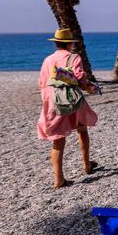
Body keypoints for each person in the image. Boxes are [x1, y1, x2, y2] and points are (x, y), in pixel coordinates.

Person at [38, 28, 99, 189]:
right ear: (70, 43)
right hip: (71, 99)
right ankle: (87, 165)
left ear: (56, 43)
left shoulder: (47, 60)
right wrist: (91, 88)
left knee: (57, 140)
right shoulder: (74, 57)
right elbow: (80, 80)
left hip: (53, 100)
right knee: (82, 129)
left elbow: (42, 83)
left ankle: (59, 179)